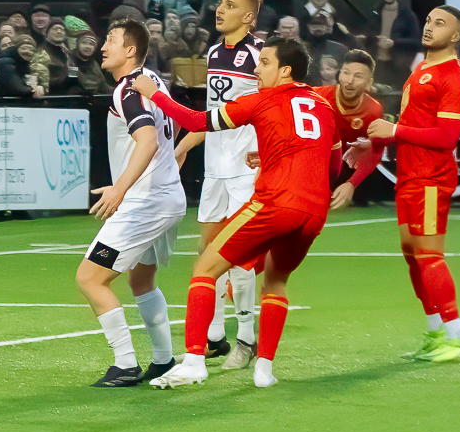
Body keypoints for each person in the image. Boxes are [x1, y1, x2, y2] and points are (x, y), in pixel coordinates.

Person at [139, 37, 336, 389]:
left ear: (285, 71)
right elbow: (329, 159)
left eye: (265, 63)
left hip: (275, 202)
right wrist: (272, 156)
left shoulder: (260, 100)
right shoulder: (323, 104)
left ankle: (194, 361)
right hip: (314, 211)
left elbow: (196, 120)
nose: (257, 70)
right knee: (276, 282)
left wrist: (154, 94)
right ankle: (264, 370)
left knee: (205, 268)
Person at [62, 20, 185, 387]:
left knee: (90, 278)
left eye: (111, 40)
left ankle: (126, 364)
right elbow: (175, 123)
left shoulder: (127, 89)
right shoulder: (154, 80)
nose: (103, 47)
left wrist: (120, 188)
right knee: (142, 279)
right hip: (167, 197)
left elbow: (147, 141)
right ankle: (163, 359)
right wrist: (167, 164)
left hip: (145, 202)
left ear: (130, 51)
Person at [367, 5, 460, 364]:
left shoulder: (452, 77)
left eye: (440, 23)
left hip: (430, 177)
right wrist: (377, 141)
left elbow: (446, 137)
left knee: (429, 256)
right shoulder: (422, 69)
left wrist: (394, 130)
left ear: (455, 36)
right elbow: (416, 125)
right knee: (413, 257)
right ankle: (435, 333)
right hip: (410, 175)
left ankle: (457, 339)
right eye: (428, 21)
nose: (429, 27)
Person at [168, 0, 267, 362]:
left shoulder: (261, 55)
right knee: (207, 250)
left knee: (238, 254)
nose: (219, 10)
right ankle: (215, 336)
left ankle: (246, 338)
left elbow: (274, 107)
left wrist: (268, 151)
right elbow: (213, 115)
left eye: (230, 5)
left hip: (246, 169)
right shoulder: (212, 53)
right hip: (215, 169)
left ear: (249, 17)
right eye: (220, 3)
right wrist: (182, 147)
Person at [319, 50, 385, 209]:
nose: (350, 81)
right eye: (346, 73)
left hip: (349, 173)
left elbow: (375, 153)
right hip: (317, 171)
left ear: (369, 82)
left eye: (358, 76)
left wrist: (352, 184)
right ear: (339, 75)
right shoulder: (318, 98)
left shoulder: (374, 110)